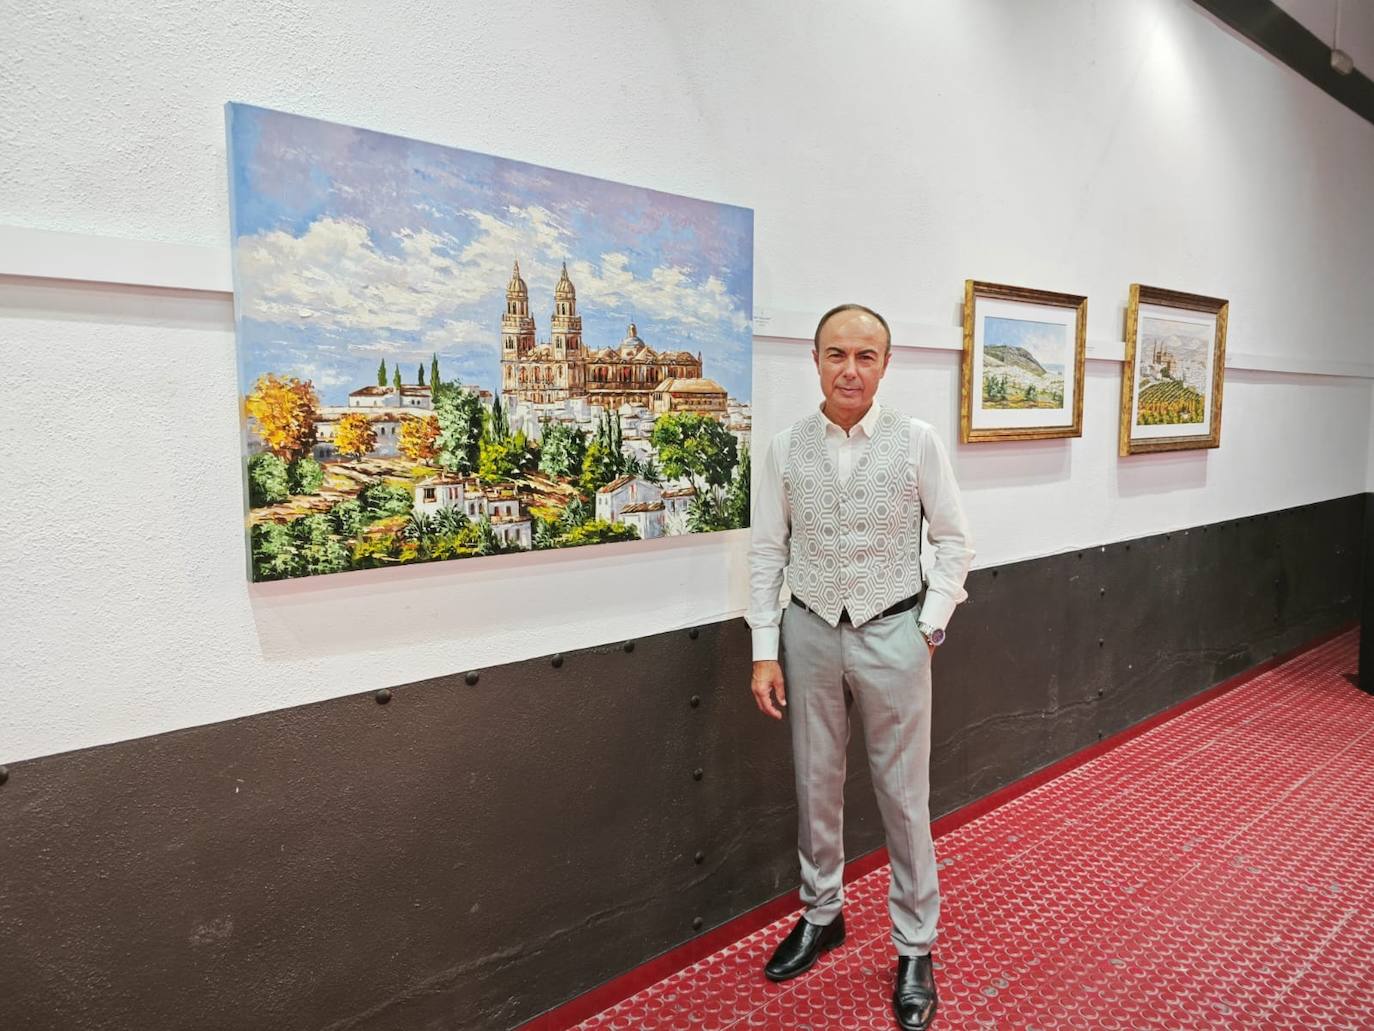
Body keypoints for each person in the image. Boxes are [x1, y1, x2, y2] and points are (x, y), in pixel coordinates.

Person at [747, 304, 974, 1030]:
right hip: (808, 630)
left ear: (885, 362)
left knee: (904, 797)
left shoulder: (918, 442)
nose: (851, 369)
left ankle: (914, 945)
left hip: (893, 631)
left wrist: (928, 628)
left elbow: (955, 540)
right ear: (814, 359)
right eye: (837, 354)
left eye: (866, 356)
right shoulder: (783, 447)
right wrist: (763, 649)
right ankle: (823, 913)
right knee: (815, 780)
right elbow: (766, 553)